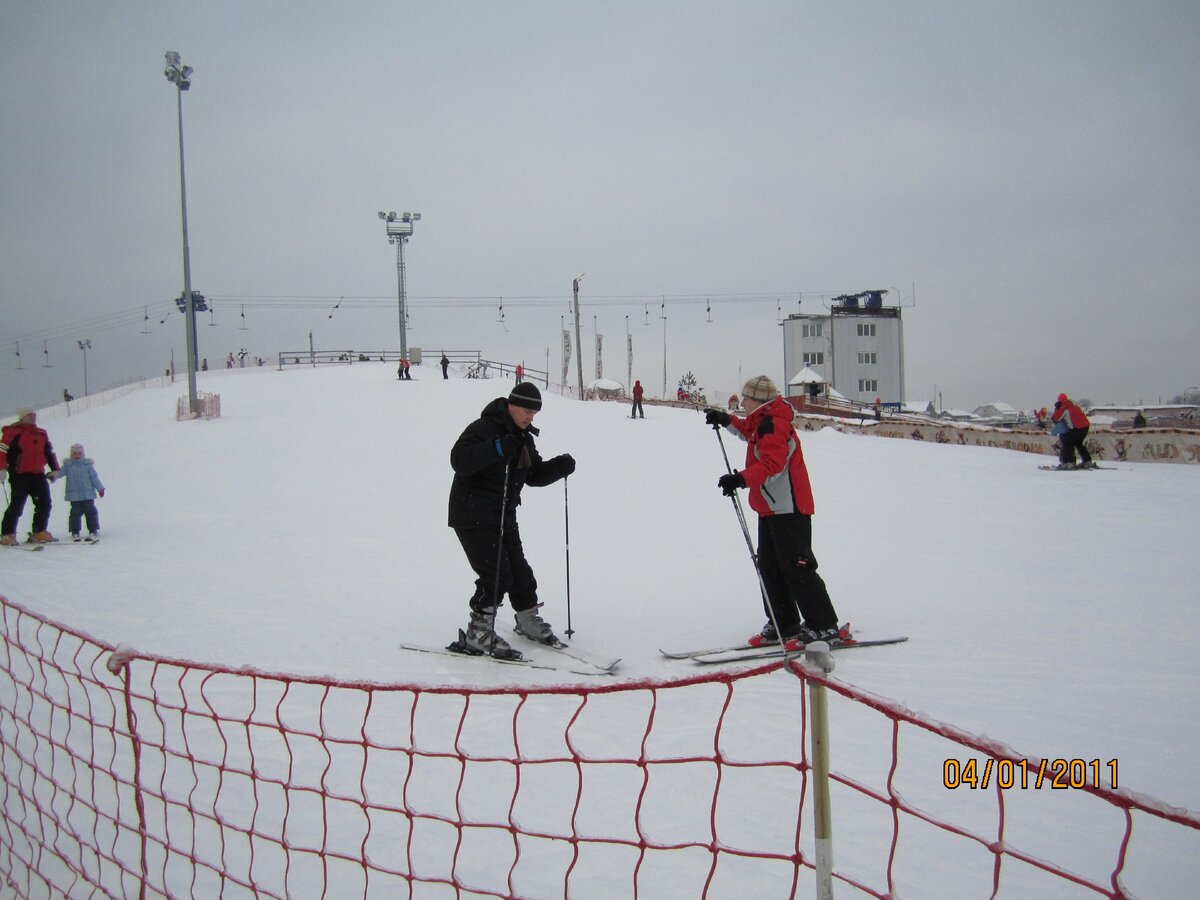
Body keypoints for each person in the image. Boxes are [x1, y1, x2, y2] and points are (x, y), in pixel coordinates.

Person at [704, 376, 841, 649]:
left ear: (759, 400)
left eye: (746, 398)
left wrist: (741, 479)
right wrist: (725, 419)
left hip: (790, 508)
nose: (742, 402)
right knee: (769, 566)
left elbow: (772, 464)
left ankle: (824, 625)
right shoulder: (762, 420)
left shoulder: (775, 424)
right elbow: (747, 431)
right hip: (770, 507)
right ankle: (784, 621)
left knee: (796, 567)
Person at [447, 382, 577, 659]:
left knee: (519, 571)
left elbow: (533, 475)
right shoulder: (483, 428)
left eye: (534, 413)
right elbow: (459, 460)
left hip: (504, 515)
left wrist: (559, 467)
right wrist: (497, 448)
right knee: (496, 574)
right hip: (472, 514)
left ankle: (527, 619)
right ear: (511, 405)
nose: (530, 417)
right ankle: (478, 633)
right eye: (527, 410)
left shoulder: (522, 437)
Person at [1, 408, 61, 545]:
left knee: (44, 503)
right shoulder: (12, 433)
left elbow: (49, 452)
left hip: (38, 474)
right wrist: (2, 468)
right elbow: (2, 451)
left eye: (34, 415)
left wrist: (55, 469)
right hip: (19, 475)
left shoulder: (41, 433)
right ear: (22, 417)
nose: (33, 417)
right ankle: (7, 533)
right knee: (17, 505)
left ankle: (39, 531)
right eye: (29, 415)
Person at [60, 443, 104, 542]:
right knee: (75, 513)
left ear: (82, 454)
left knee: (90, 512)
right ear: (71, 454)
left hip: (88, 494)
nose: (77, 455)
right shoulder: (68, 465)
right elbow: (59, 473)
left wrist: (100, 488)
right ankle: (75, 530)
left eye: (79, 453)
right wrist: (52, 476)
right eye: (74, 453)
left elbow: (94, 477)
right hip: (74, 495)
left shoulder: (87, 465)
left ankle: (93, 529)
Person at [1050, 392, 1094, 469]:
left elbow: (1055, 418)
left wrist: (1057, 408)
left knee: (1067, 443)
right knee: (1078, 443)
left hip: (1076, 428)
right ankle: (1087, 461)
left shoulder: (1064, 407)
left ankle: (1068, 462)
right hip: (1085, 427)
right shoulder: (1075, 406)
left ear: (1059, 401)